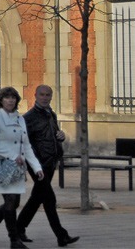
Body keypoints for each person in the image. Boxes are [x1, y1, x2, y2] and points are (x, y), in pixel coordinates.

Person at [17, 85, 80, 246]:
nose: (45, 97)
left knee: (37, 198)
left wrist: (61, 136)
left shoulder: (50, 114)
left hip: (51, 162)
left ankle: (17, 228)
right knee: (49, 199)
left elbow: (53, 136)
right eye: (42, 95)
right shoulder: (28, 118)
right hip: (38, 165)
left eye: (48, 95)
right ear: (35, 96)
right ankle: (61, 235)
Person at [0, 86, 44, 248]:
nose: (10, 100)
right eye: (7, 97)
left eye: (13, 98)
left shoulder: (20, 118)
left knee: (14, 203)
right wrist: (11, 155)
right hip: (2, 167)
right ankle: (14, 240)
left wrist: (37, 167)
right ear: (1, 100)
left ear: (16, 101)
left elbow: (27, 145)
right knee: (10, 202)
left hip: (17, 168)